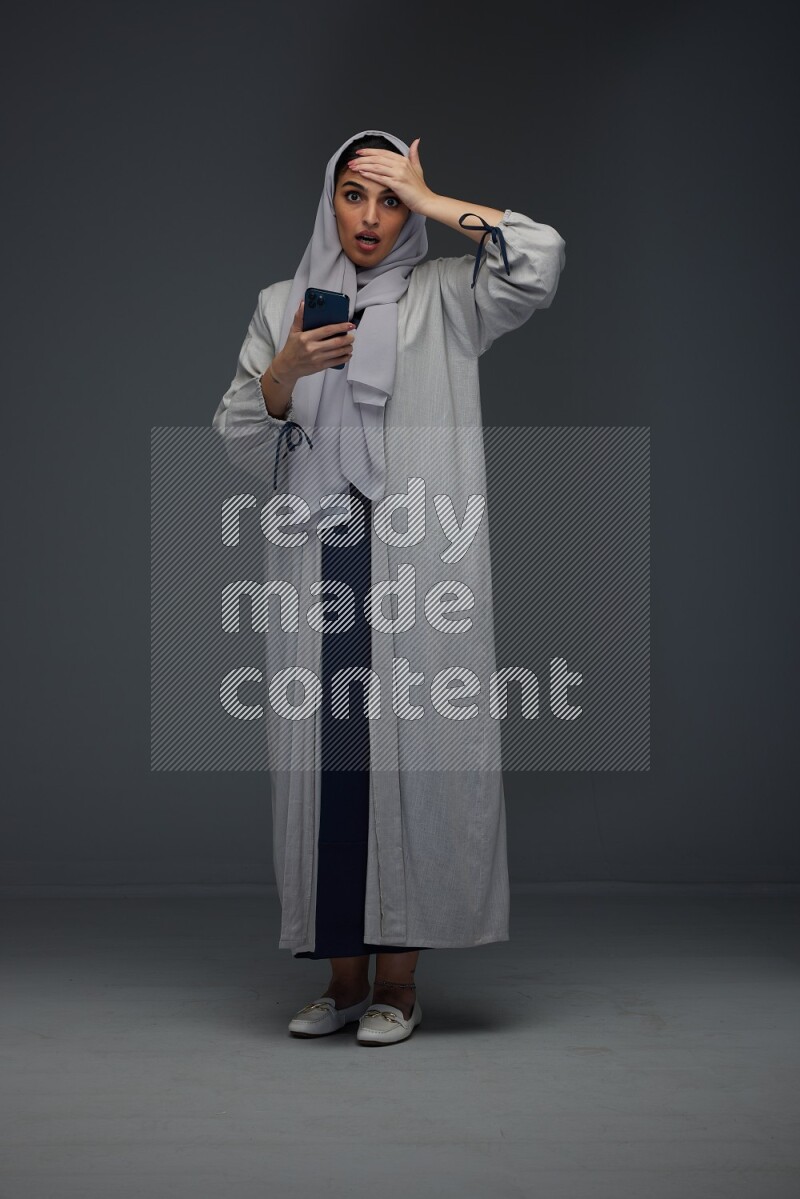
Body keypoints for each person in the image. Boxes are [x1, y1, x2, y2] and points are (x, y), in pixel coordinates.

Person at [213, 129, 566, 1046]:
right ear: (327, 201)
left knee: (412, 759)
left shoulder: (447, 295)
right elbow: (242, 440)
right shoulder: (280, 302)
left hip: (416, 560)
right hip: (321, 556)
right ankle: (339, 979)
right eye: (354, 196)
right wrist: (288, 368)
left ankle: (399, 987)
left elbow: (539, 257)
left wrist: (440, 198)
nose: (370, 219)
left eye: (390, 199)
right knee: (330, 762)